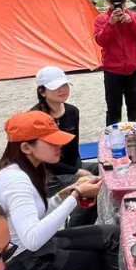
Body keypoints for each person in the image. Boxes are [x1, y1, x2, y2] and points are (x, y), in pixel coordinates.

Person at [0, 111, 125, 270]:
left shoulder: (30, 167)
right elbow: (32, 238)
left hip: (39, 246)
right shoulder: (16, 181)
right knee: (105, 262)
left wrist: (63, 195)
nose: (58, 146)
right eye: (51, 142)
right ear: (26, 147)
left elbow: (37, 213)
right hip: (22, 264)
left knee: (113, 235)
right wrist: (76, 196)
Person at [31, 66, 99, 227]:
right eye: (56, 87)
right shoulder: (36, 118)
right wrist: (79, 172)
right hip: (49, 174)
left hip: (71, 165)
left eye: (65, 85)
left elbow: (74, 149)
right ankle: (75, 227)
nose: (62, 90)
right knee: (89, 183)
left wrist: (79, 168)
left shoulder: (72, 111)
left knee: (105, 170)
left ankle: (89, 220)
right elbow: (44, 160)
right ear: (42, 92)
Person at [94, 0, 136, 126]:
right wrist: (110, 24)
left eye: (121, 2)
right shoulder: (101, 19)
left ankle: (135, 137)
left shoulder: (134, 17)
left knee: (134, 108)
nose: (117, 5)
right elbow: (100, 41)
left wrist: (131, 24)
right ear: (108, 1)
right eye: (114, 2)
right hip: (112, 71)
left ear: (125, 1)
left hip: (133, 70)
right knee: (113, 110)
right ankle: (112, 140)